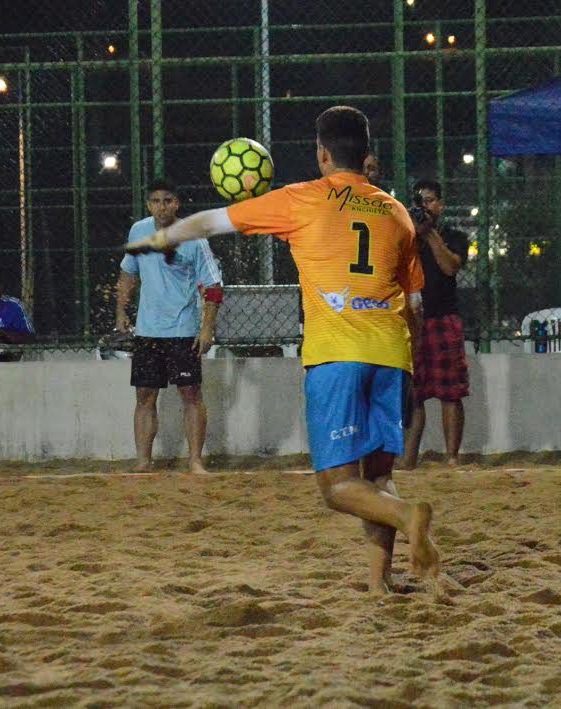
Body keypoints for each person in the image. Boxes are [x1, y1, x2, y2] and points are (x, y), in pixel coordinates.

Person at [126, 106, 441, 594]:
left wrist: (159, 237)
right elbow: (413, 304)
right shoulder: (396, 212)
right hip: (391, 355)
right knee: (376, 478)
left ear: (321, 154)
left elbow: (213, 222)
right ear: (367, 154)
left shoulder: (302, 200)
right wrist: (410, 362)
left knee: (338, 487)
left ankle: (408, 515)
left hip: (338, 354)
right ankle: (380, 582)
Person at [115, 177, 223, 475]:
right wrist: (121, 311)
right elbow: (128, 274)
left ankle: (196, 461)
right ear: (148, 204)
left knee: (190, 394)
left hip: (183, 330)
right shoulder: (139, 231)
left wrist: (206, 329)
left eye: (167, 200)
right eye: (155, 201)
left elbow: (213, 286)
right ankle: (143, 461)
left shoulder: (194, 237)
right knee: (145, 396)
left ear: (177, 203)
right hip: (148, 330)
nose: (161, 207)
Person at [398, 178, 470, 470]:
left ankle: (451, 457)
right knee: (413, 394)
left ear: (441, 204)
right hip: (412, 319)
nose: (424, 207)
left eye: (429, 201)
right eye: (419, 202)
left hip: (443, 318)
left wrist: (430, 235)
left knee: (450, 391)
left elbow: (451, 266)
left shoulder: (453, 235)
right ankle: (409, 460)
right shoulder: (405, 237)